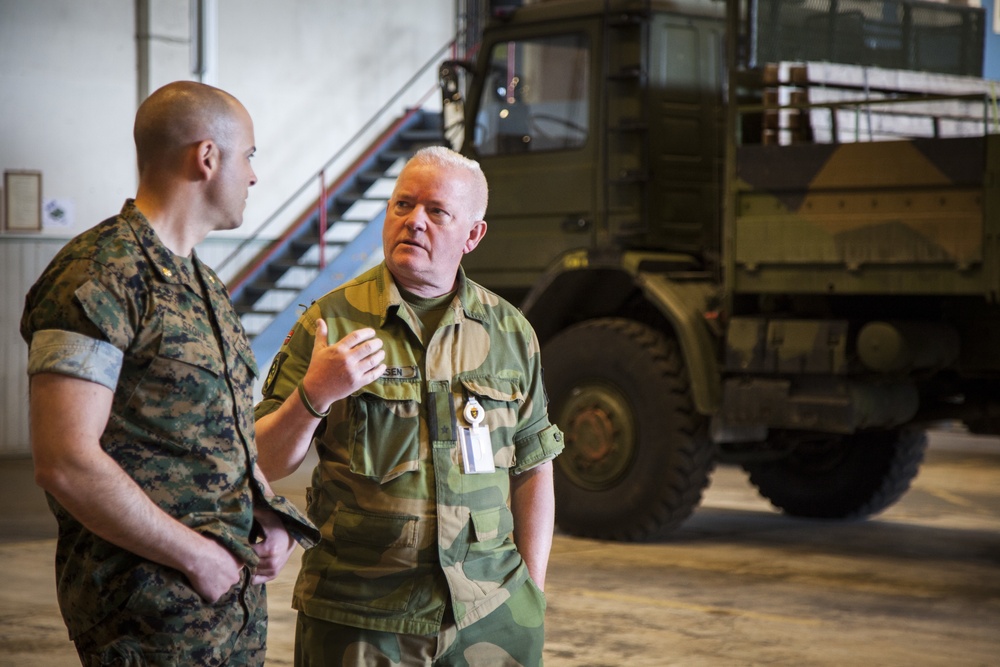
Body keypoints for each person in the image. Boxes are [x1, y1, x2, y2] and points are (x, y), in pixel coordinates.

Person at [20, 80, 319, 666]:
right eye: (249, 156)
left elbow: (212, 439)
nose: (254, 176)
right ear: (207, 158)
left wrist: (266, 514)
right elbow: (64, 460)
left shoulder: (201, 285)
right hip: (148, 615)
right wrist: (196, 556)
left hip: (226, 612)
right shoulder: (98, 275)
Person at [255, 145, 565, 665]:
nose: (414, 221)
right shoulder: (331, 324)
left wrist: (530, 592)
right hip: (361, 622)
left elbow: (534, 468)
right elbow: (261, 460)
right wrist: (315, 395)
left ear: (472, 235)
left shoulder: (511, 333)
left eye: (436, 211)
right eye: (403, 205)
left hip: (491, 620)